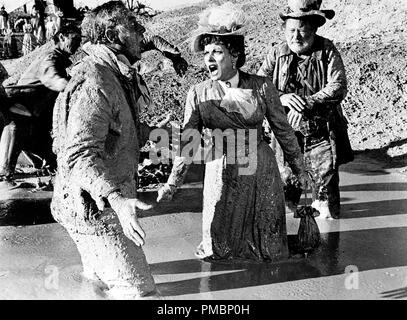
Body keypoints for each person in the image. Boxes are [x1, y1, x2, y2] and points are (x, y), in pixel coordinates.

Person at [157, 2, 308, 262]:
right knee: (220, 249)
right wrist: (173, 183)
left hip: (261, 170)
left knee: (268, 249)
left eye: (217, 52)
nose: (209, 59)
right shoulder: (199, 93)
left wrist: (301, 171)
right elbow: (189, 143)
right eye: (206, 53)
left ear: (235, 54)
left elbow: (284, 132)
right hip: (221, 169)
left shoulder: (261, 87)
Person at [51, 1, 158, 299]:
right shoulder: (95, 79)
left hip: (79, 202)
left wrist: (166, 136)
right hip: (98, 208)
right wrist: (119, 202)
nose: (141, 32)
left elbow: (116, 132)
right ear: (112, 36)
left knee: (98, 287)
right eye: (134, 27)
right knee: (140, 293)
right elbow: (79, 155)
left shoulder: (110, 73)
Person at [257, 0, 353, 219]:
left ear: (314, 29)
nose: (296, 37)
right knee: (284, 195)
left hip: (321, 132)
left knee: (325, 198)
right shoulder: (276, 53)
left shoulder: (327, 49)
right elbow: (259, 87)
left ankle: (327, 241)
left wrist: (308, 103)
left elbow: (338, 86)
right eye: (291, 31)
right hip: (285, 135)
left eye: (302, 31)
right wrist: (282, 98)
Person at [0, 25, 82, 187]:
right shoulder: (50, 58)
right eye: (75, 39)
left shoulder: (60, 61)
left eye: (80, 40)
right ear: (62, 37)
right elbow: (52, 79)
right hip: (19, 113)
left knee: (56, 161)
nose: (78, 43)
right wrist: (75, 86)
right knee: (6, 172)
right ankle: (5, 173)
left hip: (36, 120)